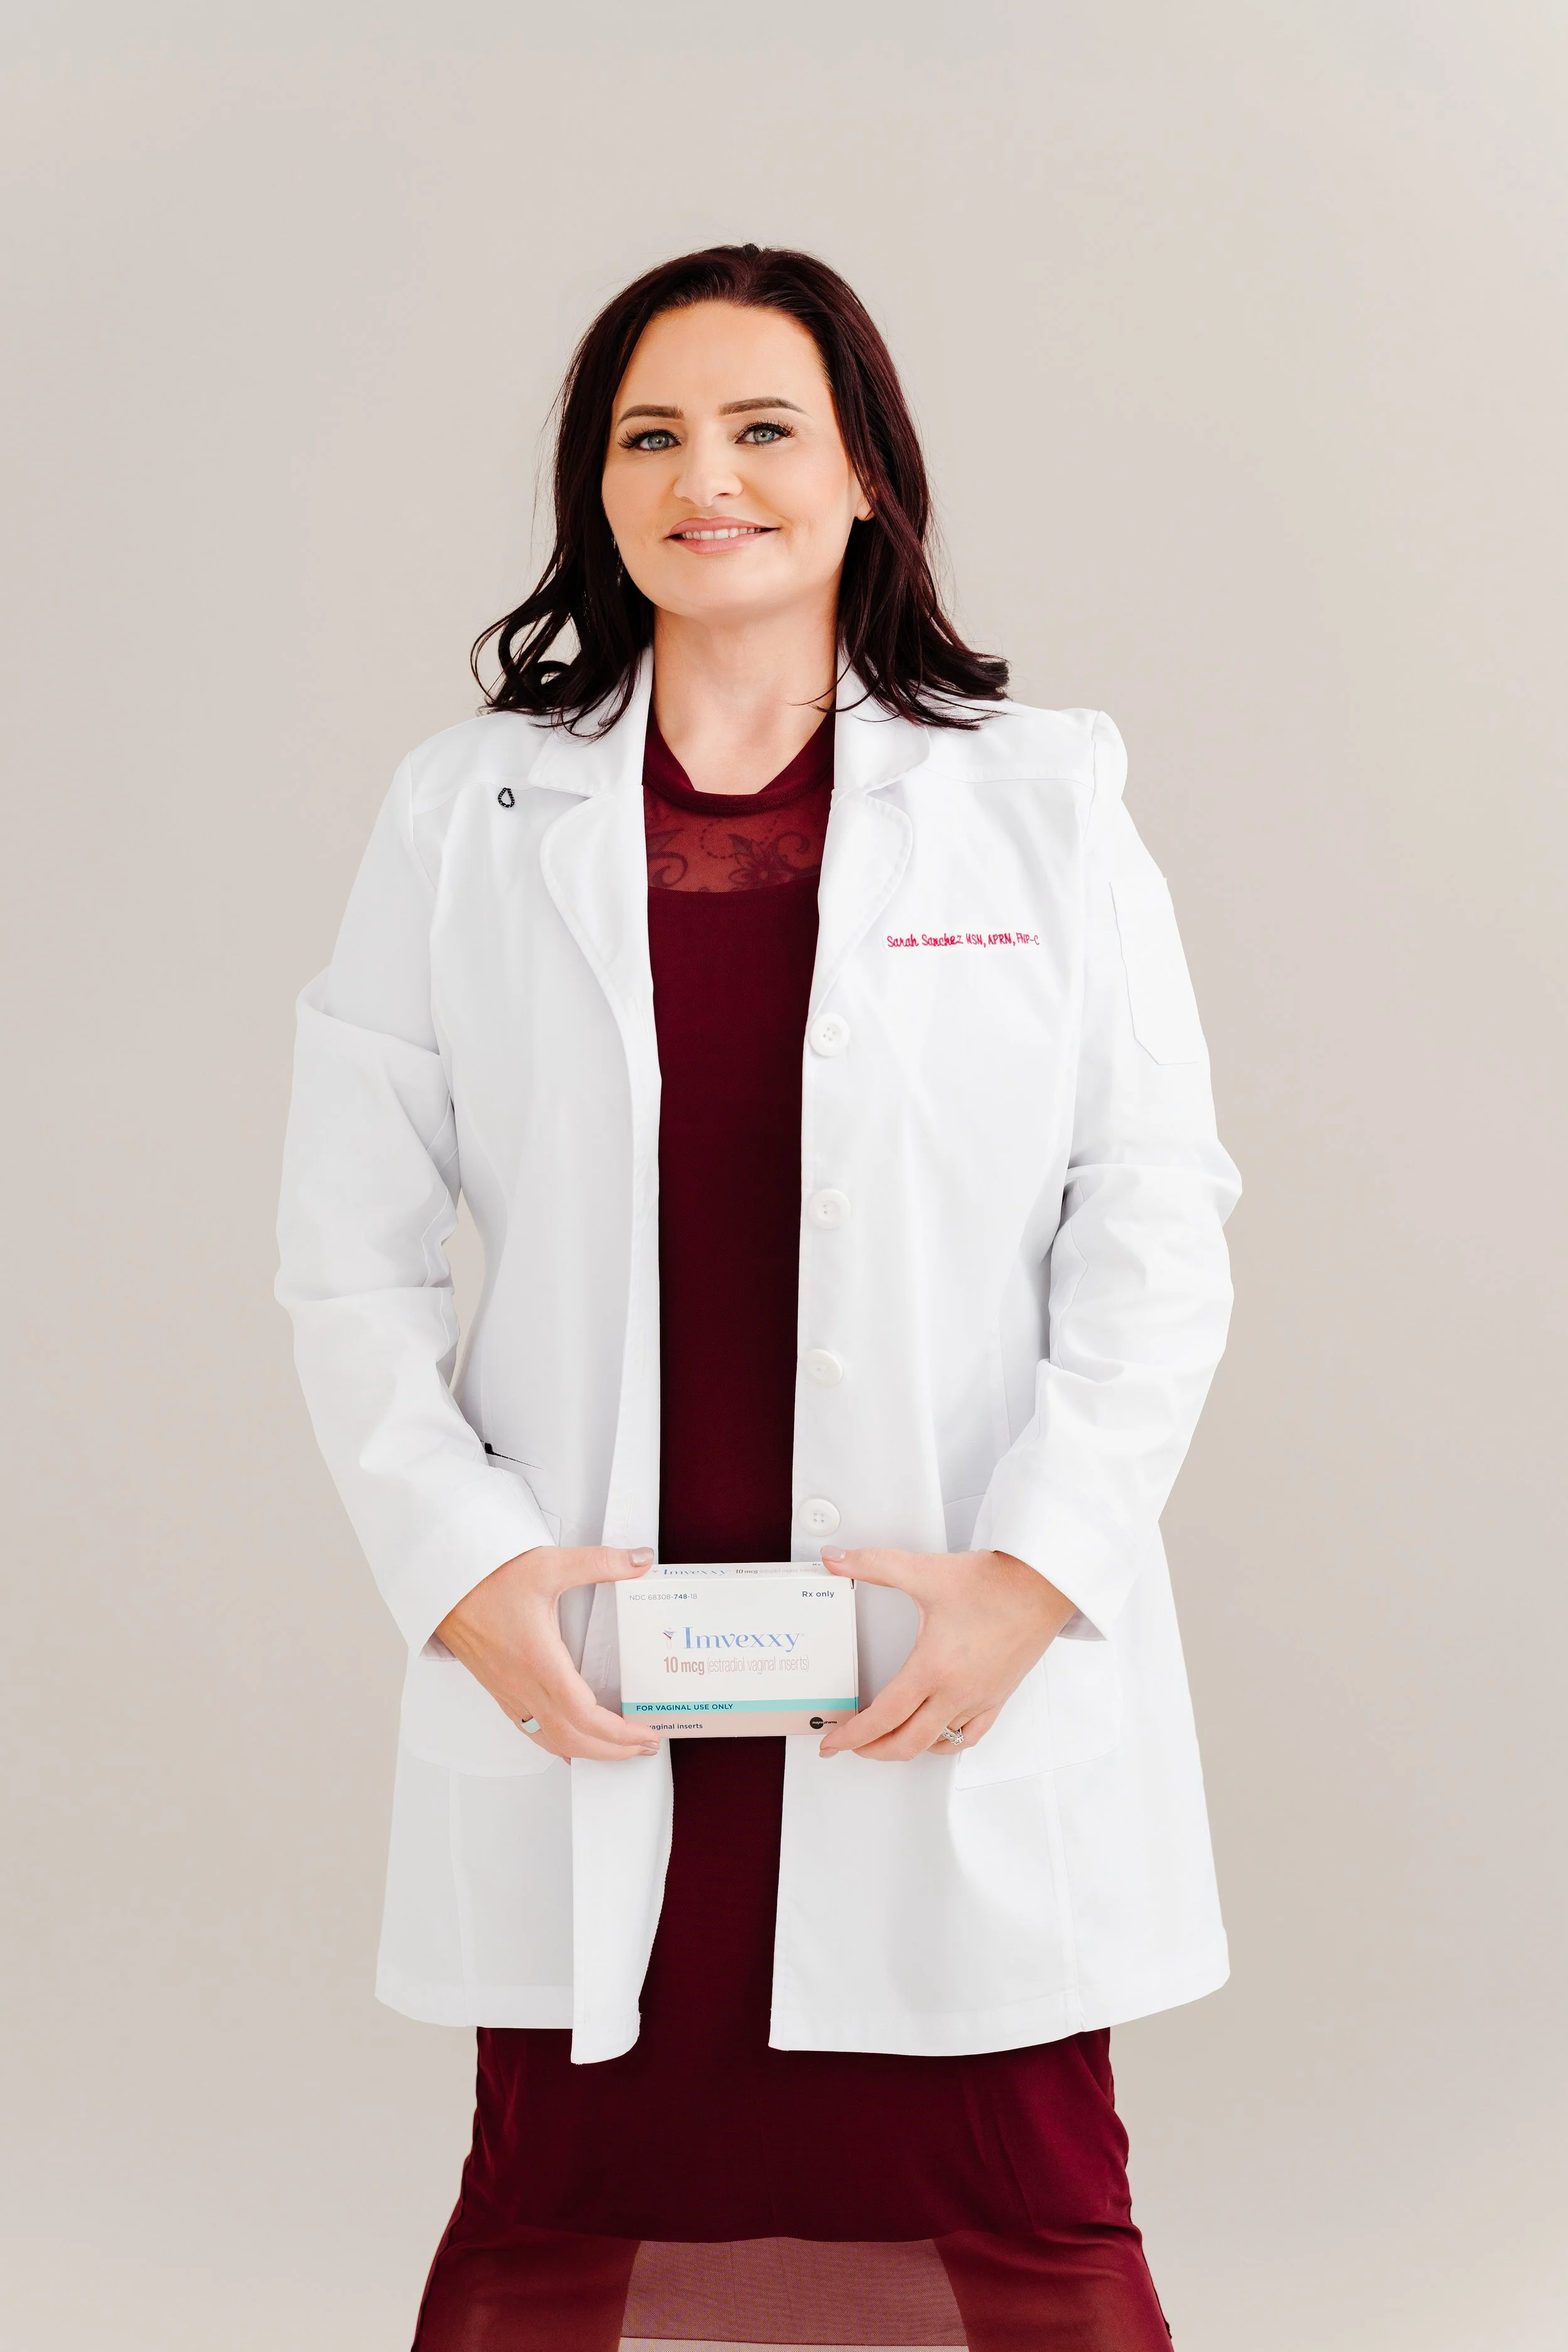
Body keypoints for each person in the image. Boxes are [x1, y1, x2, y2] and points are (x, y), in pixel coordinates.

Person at [277, 243, 1240, 2351]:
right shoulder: (467, 813)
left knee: (1024, 2202)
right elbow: (343, 1253)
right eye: (649, 434)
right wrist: (463, 1573)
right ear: (594, 487)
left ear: (868, 474)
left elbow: (1154, 1227)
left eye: (759, 425)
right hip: (595, 1646)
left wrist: (1033, 1578)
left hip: (936, 1643)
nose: (702, 475)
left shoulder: (1041, 800)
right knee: (553, 2200)